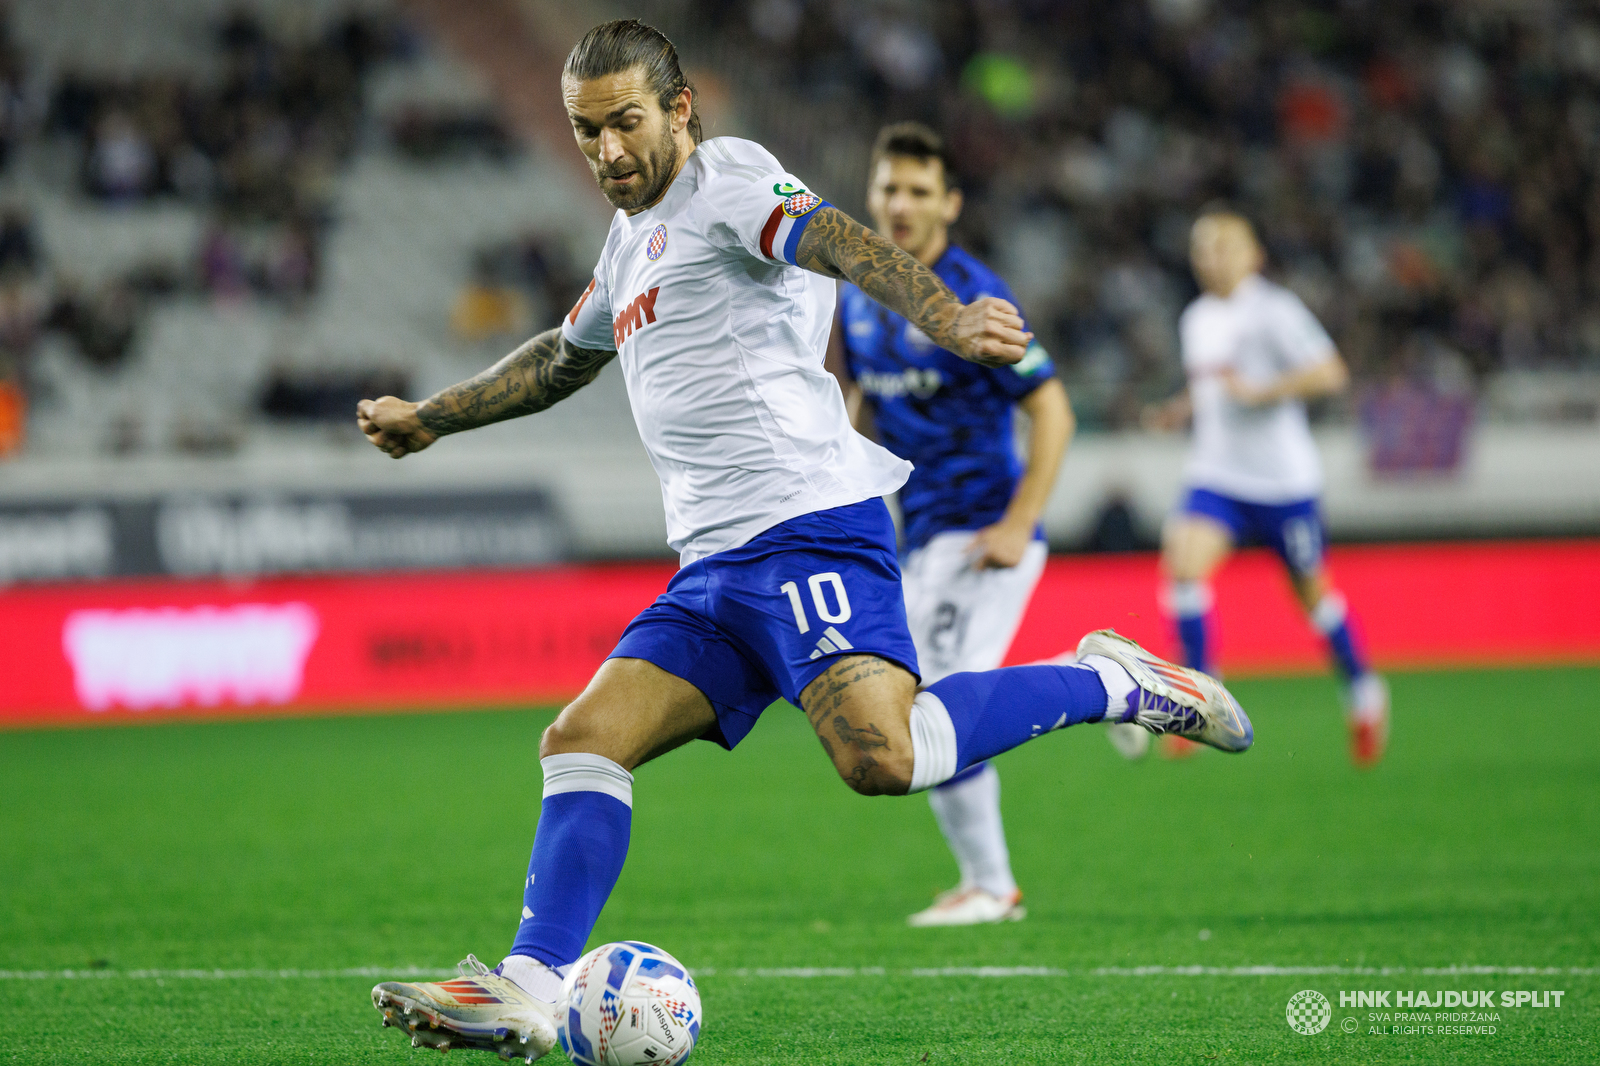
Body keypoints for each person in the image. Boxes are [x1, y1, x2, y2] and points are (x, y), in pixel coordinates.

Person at [358, 21, 1253, 1062]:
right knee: (581, 740)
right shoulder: (627, 241)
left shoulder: (729, 181)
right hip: (712, 568)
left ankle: (1103, 678)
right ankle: (525, 985)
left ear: (680, 109)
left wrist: (949, 317)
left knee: (884, 757)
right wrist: (432, 417)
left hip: (805, 529)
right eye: (584, 131)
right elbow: (563, 357)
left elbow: (843, 240)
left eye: (624, 124)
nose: (605, 151)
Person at [826, 122, 1073, 927]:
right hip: (918, 538)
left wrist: (1020, 522)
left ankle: (993, 886)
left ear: (951, 203)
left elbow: (1053, 409)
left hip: (983, 533)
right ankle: (986, 881)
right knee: (921, 705)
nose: (899, 205)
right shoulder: (862, 295)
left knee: (933, 705)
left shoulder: (976, 295)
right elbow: (858, 404)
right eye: (889, 188)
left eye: (919, 191)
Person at [1144, 208, 1387, 767]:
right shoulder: (1197, 317)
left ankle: (1365, 693)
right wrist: (1177, 411)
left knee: (1314, 599)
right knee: (1182, 565)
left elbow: (1331, 372)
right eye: (1203, 247)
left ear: (1254, 254)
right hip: (1217, 476)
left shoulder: (1275, 311)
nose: (1212, 256)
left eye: (1225, 245)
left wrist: (1262, 392)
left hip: (1282, 484)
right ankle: (1201, 701)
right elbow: (1209, 388)